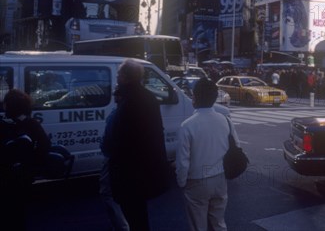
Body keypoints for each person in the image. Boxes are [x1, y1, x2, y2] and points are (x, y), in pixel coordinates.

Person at [105, 59, 170, 231]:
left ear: (126, 77)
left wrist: (110, 149)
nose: (117, 77)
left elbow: (120, 136)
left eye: (119, 74)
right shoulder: (147, 97)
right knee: (138, 213)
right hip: (142, 167)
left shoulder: (129, 101)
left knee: (135, 215)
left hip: (129, 169)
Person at [176, 78, 238, 231]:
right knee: (218, 222)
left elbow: (183, 162)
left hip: (196, 181)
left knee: (198, 224)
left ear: (194, 98)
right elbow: (236, 146)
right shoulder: (225, 120)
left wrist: (181, 182)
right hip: (220, 178)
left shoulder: (187, 126)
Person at [0, 89, 51, 231]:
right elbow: (45, 146)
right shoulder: (31, 123)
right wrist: (32, 163)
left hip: (3, 175)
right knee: (18, 212)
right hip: (22, 175)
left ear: (7, 106)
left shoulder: (2, 124)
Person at [99, 84, 130, 231]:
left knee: (107, 192)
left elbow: (107, 142)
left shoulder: (115, 114)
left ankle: (122, 226)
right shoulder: (129, 112)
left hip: (113, 158)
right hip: (125, 159)